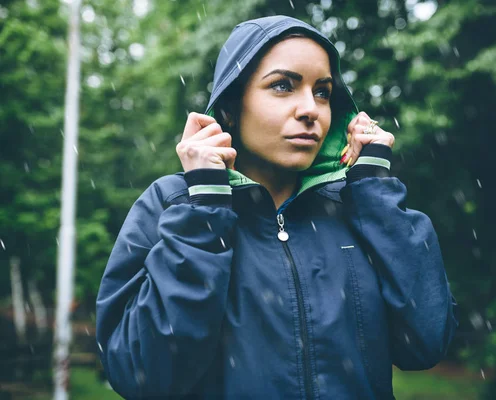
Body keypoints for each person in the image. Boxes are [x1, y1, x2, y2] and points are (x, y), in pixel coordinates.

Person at [96, 15, 457, 400]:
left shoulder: (360, 204)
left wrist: (374, 185)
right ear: (231, 108)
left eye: (322, 91)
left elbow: (427, 341)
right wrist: (205, 208)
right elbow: (140, 373)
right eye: (283, 86)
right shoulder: (174, 203)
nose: (311, 109)